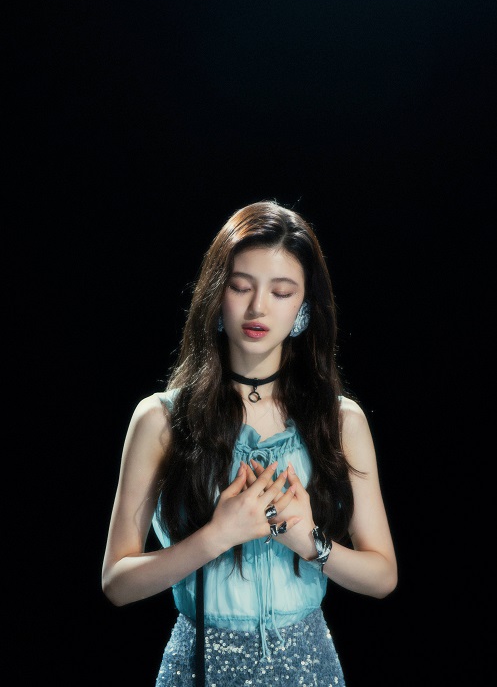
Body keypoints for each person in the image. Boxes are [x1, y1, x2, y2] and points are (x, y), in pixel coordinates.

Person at [102, 200, 398, 687]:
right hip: (198, 668)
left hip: (309, 668)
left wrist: (310, 542)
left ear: (304, 309)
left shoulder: (340, 420)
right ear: (216, 294)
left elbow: (382, 576)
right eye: (241, 287)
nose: (258, 307)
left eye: (281, 292)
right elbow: (116, 583)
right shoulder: (160, 419)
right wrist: (216, 537)